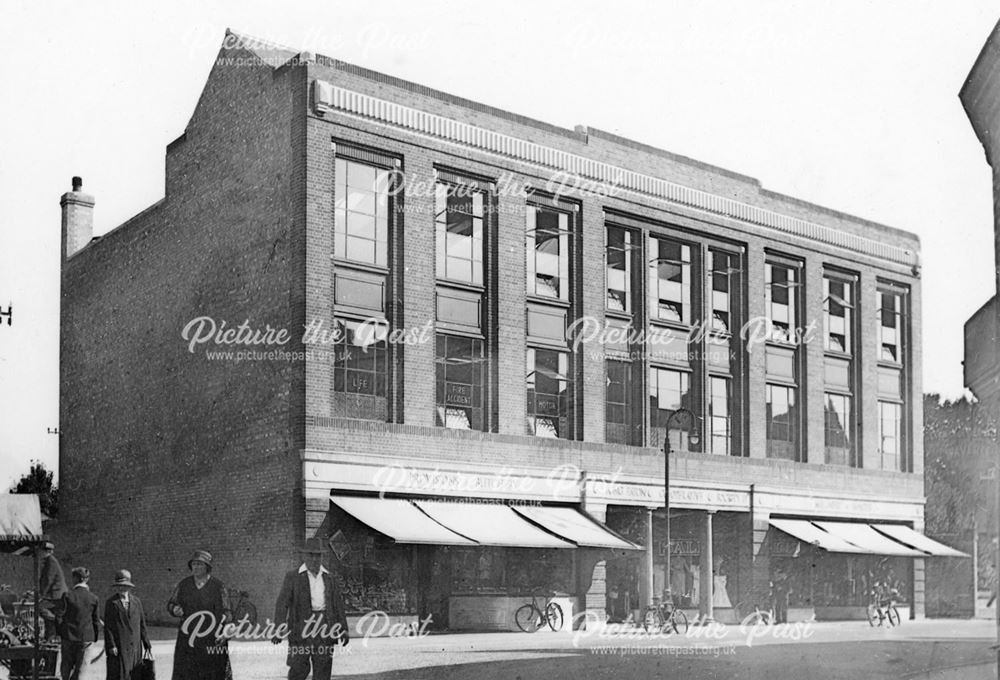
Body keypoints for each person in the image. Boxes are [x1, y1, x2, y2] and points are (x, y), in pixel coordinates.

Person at [272, 538, 349, 680]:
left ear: (322, 557)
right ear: (304, 556)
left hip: (325, 628)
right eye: (311, 555)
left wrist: (343, 629)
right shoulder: (293, 577)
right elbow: (282, 603)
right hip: (300, 629)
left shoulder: (329, 578)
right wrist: (278, 628)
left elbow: (338, 605)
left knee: (323, 671)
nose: (315, 559)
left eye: (318, 555)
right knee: (299, 669)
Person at [167, 549, 232, 680]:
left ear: (207, 567)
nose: (195, 567)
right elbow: (171, 603)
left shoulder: (218, 586)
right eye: (194, 564)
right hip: (188, 637)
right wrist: (174, 610)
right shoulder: (184, 584)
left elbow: (227, 612)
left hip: (212, 637)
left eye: (199, 564)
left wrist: (225, 631)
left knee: (212, 672)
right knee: (187, 672)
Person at [104, 569, 152, 680]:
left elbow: (142, 624)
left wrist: (146, 642)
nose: (122, 588)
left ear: (129, 587)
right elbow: (108, 627)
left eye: (125, 586)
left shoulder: (136, 602)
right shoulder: (111, 603)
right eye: (120, 586)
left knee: (135, 672)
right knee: (121, 673)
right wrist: (112, 645)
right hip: (120, 644)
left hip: (135, 644)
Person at [59, 567, 101, 680]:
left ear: (74, 579)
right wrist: (95, 637)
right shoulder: (94, 598)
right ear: (86, 580)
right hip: (86, 639)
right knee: (81, 670)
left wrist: (61, 633)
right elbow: (96, 621)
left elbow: (59, 617)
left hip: (68, 637)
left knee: (66, 669)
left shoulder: (67, 596)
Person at [38, 541, 68, 639]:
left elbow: (48, 580)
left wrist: (41, 595)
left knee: (39, 607)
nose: (40, 553)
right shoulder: (48, 561)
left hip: (57, 595)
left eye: (42, 551)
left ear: (47, 551)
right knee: (48, 621)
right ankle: (50, 637)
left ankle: (56, 620)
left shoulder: (51, 561)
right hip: (54, 595)